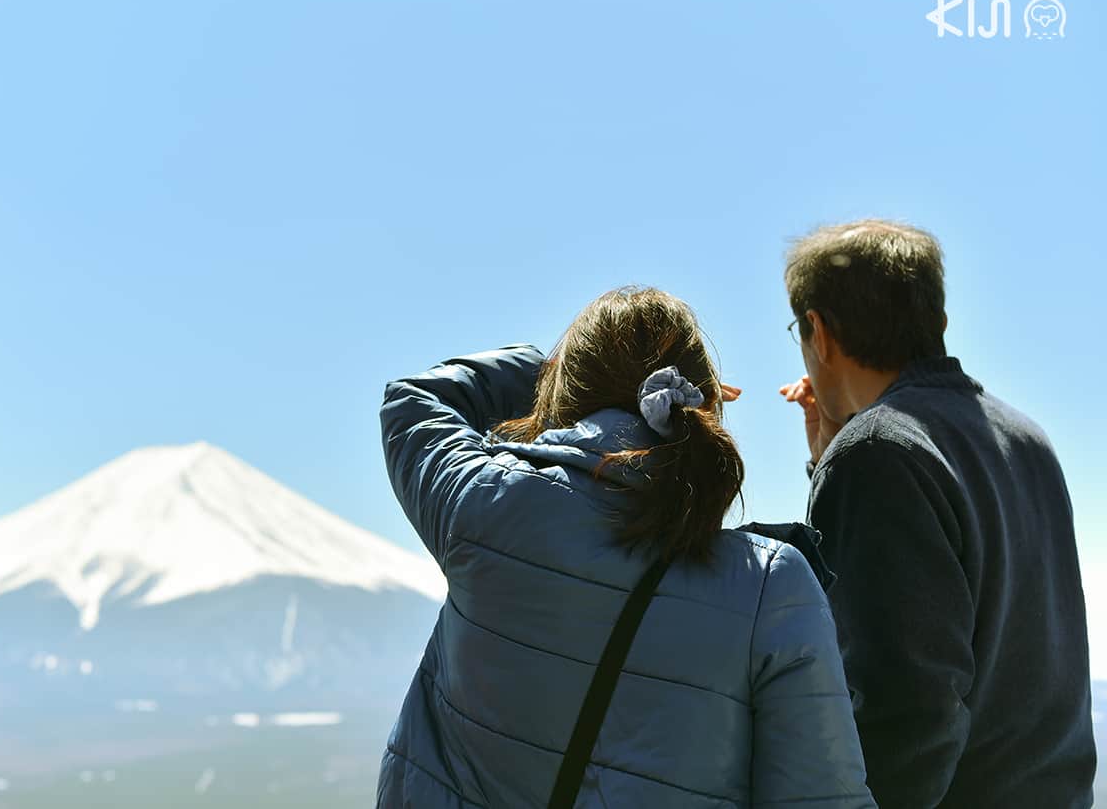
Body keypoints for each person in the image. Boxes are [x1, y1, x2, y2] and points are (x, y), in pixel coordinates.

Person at [377, 285, 875, 808]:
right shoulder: (771, 585)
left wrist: (560, 369)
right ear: (702, 405)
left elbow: (416, 397)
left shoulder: (486, 503)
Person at [779, 219, 1096, 808]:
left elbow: (904, 711)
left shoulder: (877, 452)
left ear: (818, 332)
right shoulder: (1027, 438)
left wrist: (844, 460)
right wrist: (830, 457)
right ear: (937, 323)